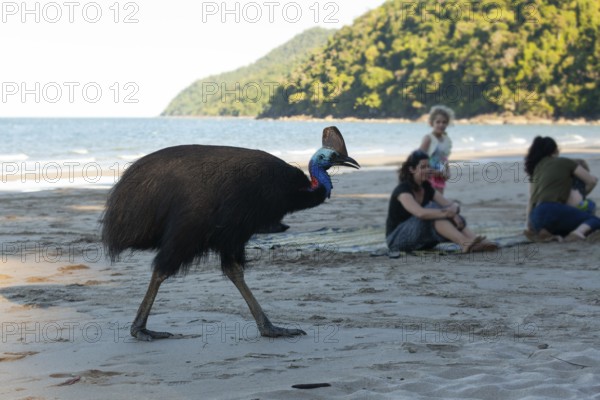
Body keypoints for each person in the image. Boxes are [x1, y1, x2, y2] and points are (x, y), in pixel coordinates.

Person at [386, 150, 498, 256]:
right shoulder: (403, 190)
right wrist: (448, 213)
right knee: (435, 211)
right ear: (412, 169)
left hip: (418, 237)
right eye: (423, 167)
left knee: (454, 216)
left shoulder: (426, 187)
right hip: (397, 240)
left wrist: (454, 211)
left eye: (428, 166)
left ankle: (476, 241)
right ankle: (465, 243)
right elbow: (420, 213)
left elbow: (449, 204)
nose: (428, 170)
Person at [524, 136, 599, 241]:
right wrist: (582, 194)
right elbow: (591, 181)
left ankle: (548, 233)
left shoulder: (536, 170)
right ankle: (578, 233)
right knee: (594, 220)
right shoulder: (565, 162)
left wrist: (529, 225)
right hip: (553, 210)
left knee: (563, 225)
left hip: (536, 216)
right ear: (555, 150)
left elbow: (531, 201)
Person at [419, 105, 454, 194]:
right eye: (438, 122)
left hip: (440, 177)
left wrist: (446, 172)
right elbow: (418, 158)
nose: (441, 125)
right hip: (428, 177)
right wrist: (429, 171)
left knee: (439, 202)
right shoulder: (428, 138)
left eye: (444, 122)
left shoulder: (446, 140)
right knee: (428, 202)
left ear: (447, 124)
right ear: (432, 123)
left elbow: (444, 158)